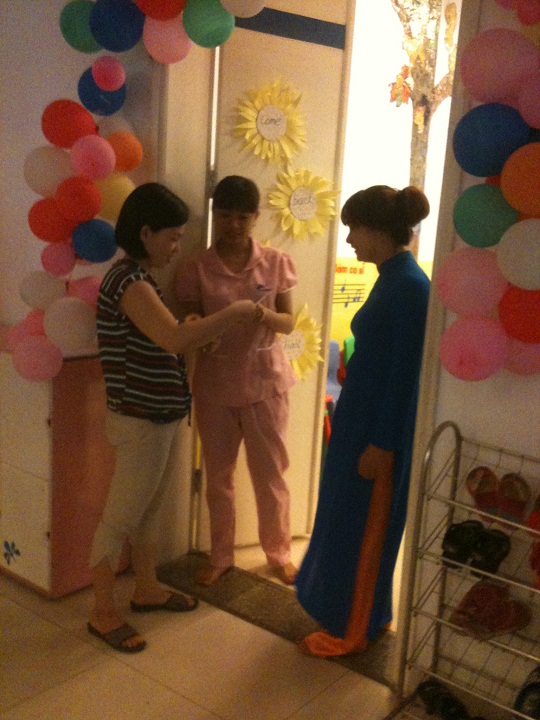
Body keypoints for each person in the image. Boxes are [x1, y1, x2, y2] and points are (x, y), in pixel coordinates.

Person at [88, 182, 259, 653]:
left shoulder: (140, 279)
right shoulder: (129, 282)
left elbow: (168, 340)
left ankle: (146, 589)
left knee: (147, 511)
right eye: (173, 237)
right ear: (146, 233)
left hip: (159, 414)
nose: (177, 246)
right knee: (120, 517)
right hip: (140, 418)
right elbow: (173, 340)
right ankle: (102, 611)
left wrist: (193, 333)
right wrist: (234, 312)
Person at [295, 184, 431, 657]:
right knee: (344, 521)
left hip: (377, 431)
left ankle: (352, 629)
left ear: (378, 230)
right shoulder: (393, 277)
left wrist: (384, 444)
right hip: (360, 423)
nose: (350, 239)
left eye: (355, 228)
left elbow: (405, 377)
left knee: (364, 529)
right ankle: (359, 614)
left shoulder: (410, 286)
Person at [175, 175, 298, 587]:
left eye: (242, 217)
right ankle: (221, 555)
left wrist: (260, 314)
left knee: (271, 475)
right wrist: (196, 324)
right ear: (215, 215)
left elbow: (288, 322)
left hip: (266, 381)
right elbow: (189, 318)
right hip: (214, 384)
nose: (233, 224)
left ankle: (279, 553)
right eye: (225, 215)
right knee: (218, 478)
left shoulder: (275, 262)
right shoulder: (196, 268)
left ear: (256, 217)